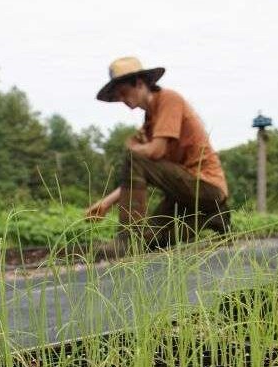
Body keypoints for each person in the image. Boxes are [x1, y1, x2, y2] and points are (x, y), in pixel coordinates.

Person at [86, 57, 230, 254]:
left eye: (123, 92)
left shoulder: (169, 99)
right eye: (118, 96)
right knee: (152, 241)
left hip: (206, 186)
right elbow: (135, 173)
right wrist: (106, 203)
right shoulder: (149, 123)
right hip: (184, 194)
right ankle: (213, 215)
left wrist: (133, 151)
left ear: (139, 83)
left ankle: (128, 237)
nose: (122, 99)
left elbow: (156, 151)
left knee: (134, 157)